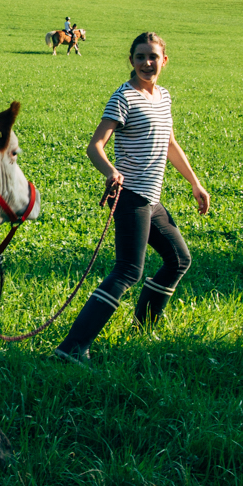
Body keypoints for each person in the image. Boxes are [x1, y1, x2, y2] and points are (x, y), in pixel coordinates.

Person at [54, 32, 210, 364]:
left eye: (153, 56)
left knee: (178, 260)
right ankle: (72, 348)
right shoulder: (123, 98)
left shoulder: (164, 97)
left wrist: (195, 183)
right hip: (130, 197)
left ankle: (142, 329)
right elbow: (94, 146)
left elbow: (170, 143)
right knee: (127, 271)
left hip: (151, 200)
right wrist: (110, 171)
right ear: (131, 61)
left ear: (164, 60)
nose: (147, 63)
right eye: (140, 57)